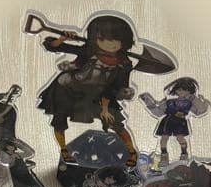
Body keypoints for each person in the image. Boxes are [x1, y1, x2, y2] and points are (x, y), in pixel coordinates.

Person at [36, 14, 140, 164]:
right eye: (102, 39)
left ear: (124, 41)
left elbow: (116, 87)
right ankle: (64, 151)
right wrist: (63, 38)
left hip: (100, 95)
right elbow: (54, 47)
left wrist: (105, 108)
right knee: (59, 118)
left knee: (115, 120)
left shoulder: (124, 63)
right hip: (69, 89)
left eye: (115, 40)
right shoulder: (88, 51)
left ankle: (132, 152)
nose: (109, 44)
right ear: (94, 38)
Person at [139, 76, 210, 163]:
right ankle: (164, 155)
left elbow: (200, 111)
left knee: (180, 138)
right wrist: (147, 101)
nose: (182, 92)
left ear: (190, 91)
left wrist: (195, 99)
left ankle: (184, 154)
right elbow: (158, 112)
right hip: (168, 121)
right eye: (179, 90)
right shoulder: (169, 101)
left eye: (185, 90)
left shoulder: (189, 103)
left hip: (180, 122)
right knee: (164, 138)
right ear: (175, 90)